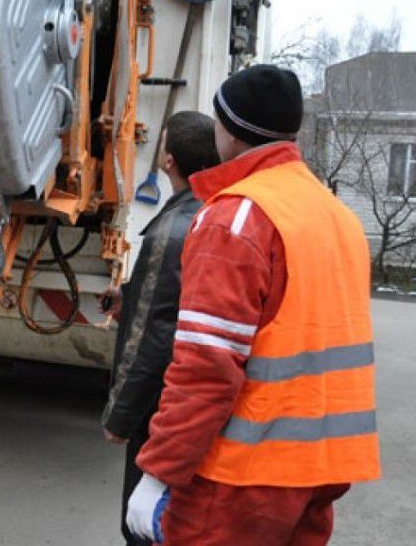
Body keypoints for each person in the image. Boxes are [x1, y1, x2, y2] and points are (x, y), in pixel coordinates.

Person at [126, 65, 381, 545]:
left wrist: (159, 471)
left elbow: (206, 368)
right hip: (321, 467)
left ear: (230, 128)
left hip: (244, 475)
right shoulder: (335, 215)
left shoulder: (237, 216)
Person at [101, 111, 220, 546]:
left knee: (143, 525)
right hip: (193, 406)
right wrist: (129, 298)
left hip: (160, 408)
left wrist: (121, 416)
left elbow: (152, 335)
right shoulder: (209, 214)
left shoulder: (170, 231)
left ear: (168, 160)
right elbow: (181, 306)